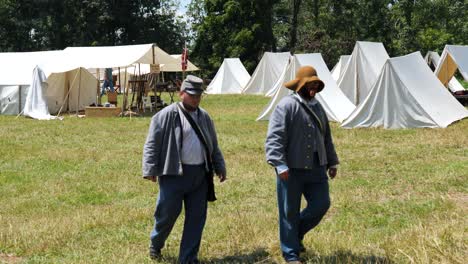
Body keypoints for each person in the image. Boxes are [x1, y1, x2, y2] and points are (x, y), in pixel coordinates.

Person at [142, 75, 227, 264]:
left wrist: (219, 165)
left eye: (198, 95)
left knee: (196, 219)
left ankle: (188, 258)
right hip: (173, 174)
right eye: (192, 95)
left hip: (200, 176)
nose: (196, 99)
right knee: (166, 215)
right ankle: (156, 244)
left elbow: (213, 144)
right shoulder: (165, 115)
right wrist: (149, 169)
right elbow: (152, 143)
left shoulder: (205, 117)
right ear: (181, 94)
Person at [265, 66, 339, 264]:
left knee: (322, 204)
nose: (314, 88)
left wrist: (332, 161)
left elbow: (326, 138)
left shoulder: (318, 107)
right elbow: (274, 138)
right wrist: (279, 164)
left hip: (317, 168)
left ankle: (294, 234)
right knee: (289, 212)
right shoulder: (286, 106)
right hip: (291, 170)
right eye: (310, 84)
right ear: (300, 86)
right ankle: (291, 254)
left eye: (316, 84)